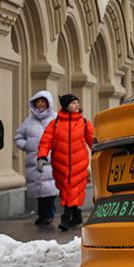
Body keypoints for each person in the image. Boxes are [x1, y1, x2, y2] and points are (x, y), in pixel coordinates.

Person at [39, 94, 94, 232]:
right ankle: (77, 216)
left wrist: (101, 151)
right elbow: (45, 141)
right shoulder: (55, 124)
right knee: (66, 191)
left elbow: (93, 141)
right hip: (60, 165)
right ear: (65, 106)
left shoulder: (84, 123)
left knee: (71, 190)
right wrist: (42, 156)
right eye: (73, 103)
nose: (77, 105)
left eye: (77, 102)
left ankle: (66, 218)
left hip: (79, 164)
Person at [14, 90, 58, 226]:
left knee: (49, 189)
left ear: (48, 103)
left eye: (43, 102)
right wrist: (27, 145)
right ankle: (41, 214)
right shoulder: (28, 121)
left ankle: (49, 214)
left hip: (51, 159)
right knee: (38, 190)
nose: (40, 104)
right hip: (33, 160)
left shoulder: (56, 118)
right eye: (38, 102)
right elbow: (18, 137)